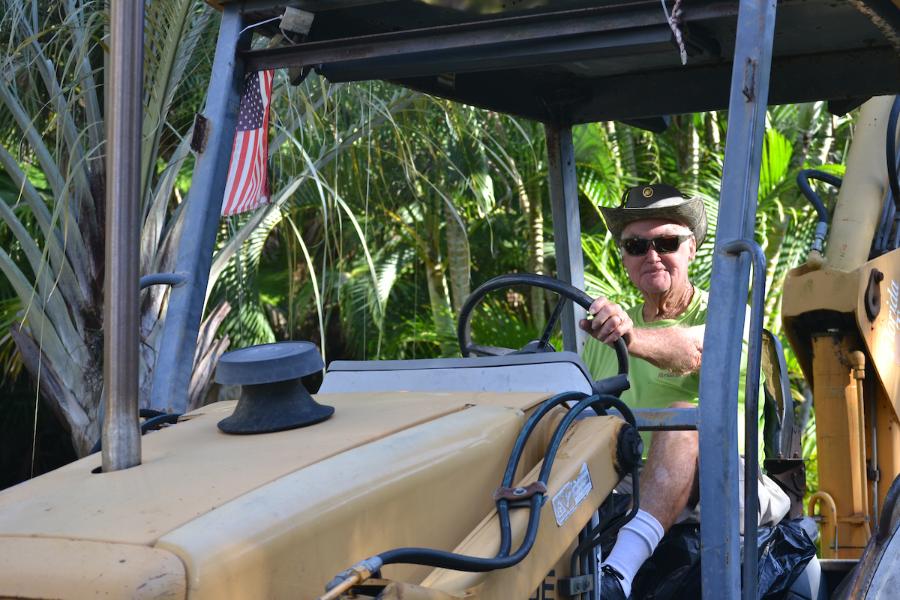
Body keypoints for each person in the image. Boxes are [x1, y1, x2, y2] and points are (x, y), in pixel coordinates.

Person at [580, 184, 788, 599]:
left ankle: (616, 574)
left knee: (683, 419)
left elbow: (693, 351)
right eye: (637, 245)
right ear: (624, 257)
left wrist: (629, 337)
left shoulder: (730, 316)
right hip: (625, 483)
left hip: (725, 479)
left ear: (691, 250)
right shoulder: (599, 337)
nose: (651, 254)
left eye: (667, 242)